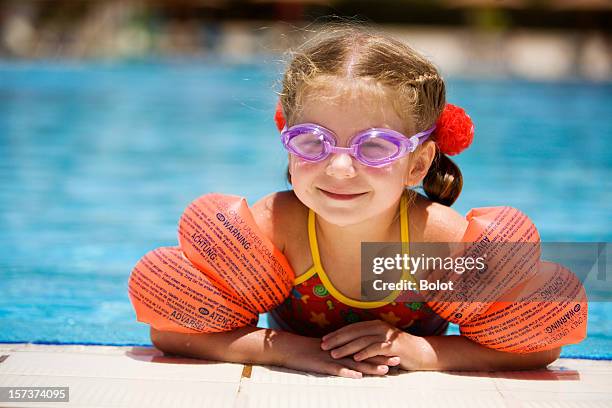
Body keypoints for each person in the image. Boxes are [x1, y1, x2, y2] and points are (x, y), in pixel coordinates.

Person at [149, 24, 562, 378]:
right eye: (313, 142)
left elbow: (541, 346)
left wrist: (428, 354)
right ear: (289, 150)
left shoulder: (438, 242)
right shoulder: (275, 227)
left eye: (377, 147)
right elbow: (169, 332)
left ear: (418, 165)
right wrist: (285, 349)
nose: (340, 168)